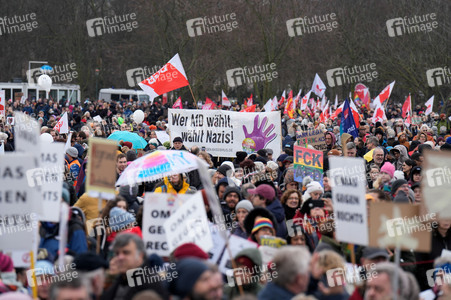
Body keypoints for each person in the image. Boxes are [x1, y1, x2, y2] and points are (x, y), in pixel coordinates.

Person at [101, 234, 169, 300]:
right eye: (117, 253)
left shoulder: (151, 284)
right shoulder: (122, 280)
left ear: (140, 256)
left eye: (126, 252)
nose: (120, 257)